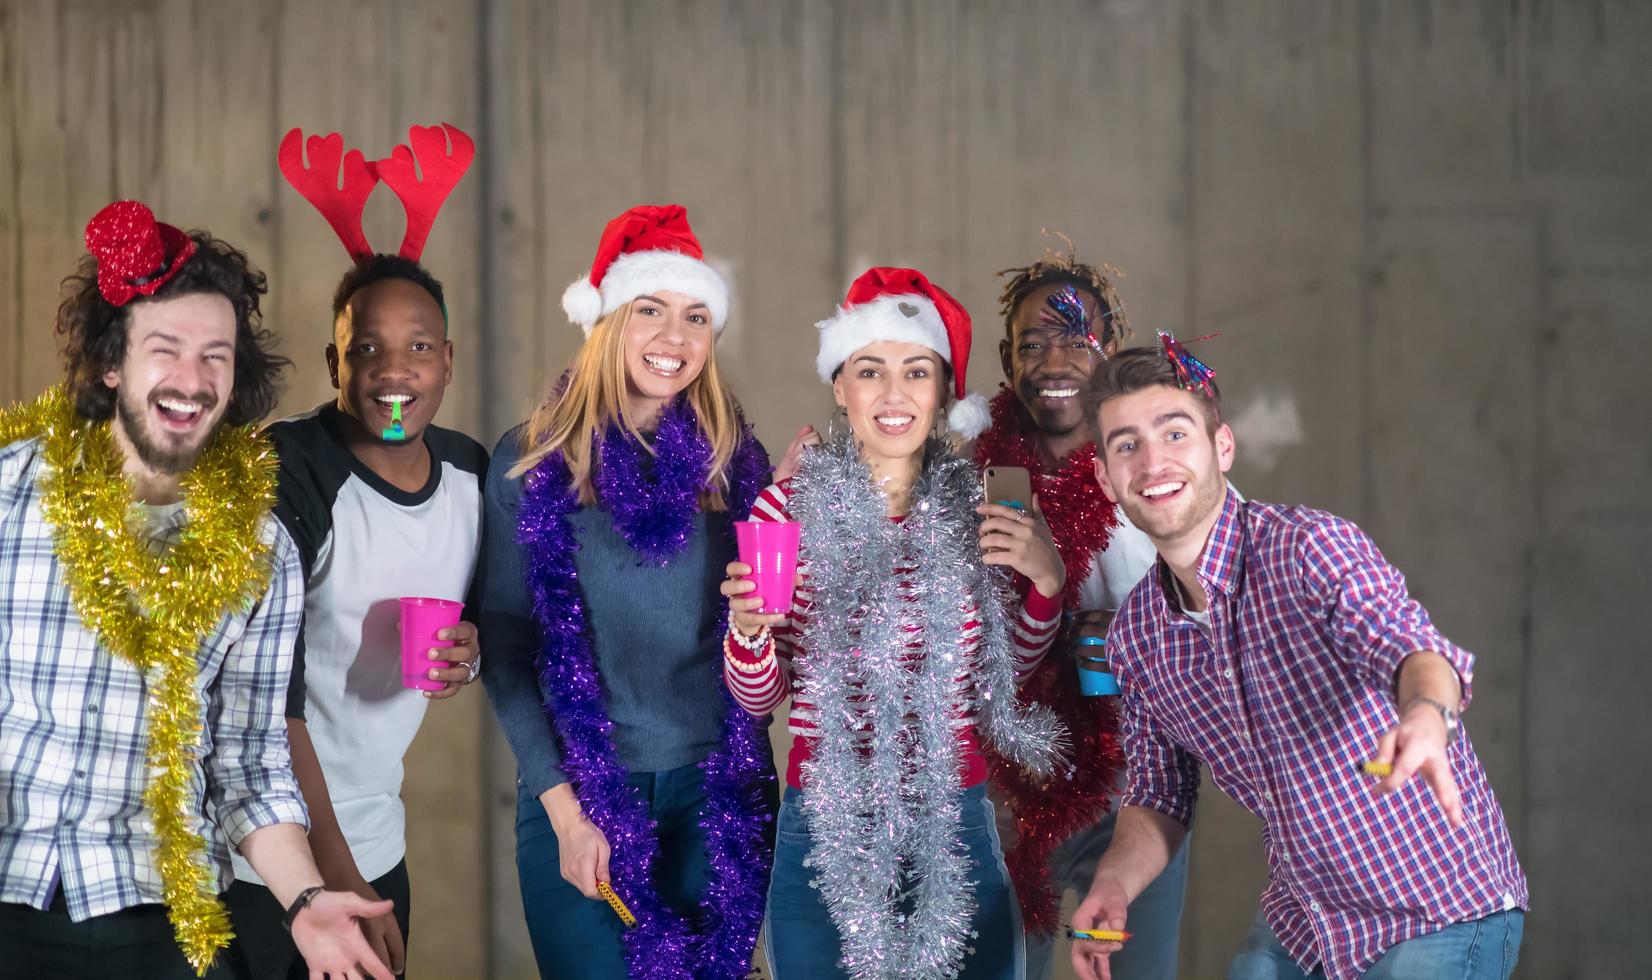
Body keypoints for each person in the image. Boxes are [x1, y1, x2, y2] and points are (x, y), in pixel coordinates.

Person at [0, 200, 395, 980]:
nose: (192, 378)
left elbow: (250, 764)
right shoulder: (11, 495)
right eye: (166, 348)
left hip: (164, 911)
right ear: (113, 363)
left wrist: (306, 899)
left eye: (216, 355)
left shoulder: (261, 551)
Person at [1070, 342, 1528, 980]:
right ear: (1105, 477)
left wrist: (1426, 715)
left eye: (1175, 433)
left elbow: (1409, 646)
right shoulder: (1138, 636)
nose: (1153, 461)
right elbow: (1159, 794)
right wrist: (1114, 884)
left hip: (1438, 906)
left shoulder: (1307, 549)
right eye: (1126, 445)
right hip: (1306, 919)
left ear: (1222, 447)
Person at [722, 267, 1070, 980]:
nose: (892, 393)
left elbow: (1007, 676)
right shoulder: (783, 512)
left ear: (943, 391)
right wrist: (749, 629)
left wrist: (1045, 582)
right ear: (840, 388)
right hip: (823, 819)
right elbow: (760, 701)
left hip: (955, 814)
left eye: (916, 371)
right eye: (869, 370)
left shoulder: (983, 509)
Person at [479, 205, 783, 978]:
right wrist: (564, 810)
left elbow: (769, 634)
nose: (673, 339)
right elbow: (508, 647)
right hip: (577, 789)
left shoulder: (737, 465)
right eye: (649, 310)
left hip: (717, 788)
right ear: (606, 320)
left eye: (694, 317)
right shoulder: (532, 460)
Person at [221, 124, 485, 980]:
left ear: (447, 362)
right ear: (335, 361)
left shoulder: (472, 474)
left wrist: (469, 655)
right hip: (261, 862)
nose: (391, 371)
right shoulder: (286, 471)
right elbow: (265, 699)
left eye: (416, 347)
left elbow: (485, 619)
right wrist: (337, 880)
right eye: (365, 348)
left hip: (374, 835)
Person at [972, 241, 1189, 980]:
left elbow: (1229, 603)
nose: (1054, 360)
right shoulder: (970, 477)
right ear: (1007, 359)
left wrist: (1133, 634)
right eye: (1033, 343)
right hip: (1004, 797)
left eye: (1075, 338)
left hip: (1138, 791)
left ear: (1108, 350)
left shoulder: (1156, 465)